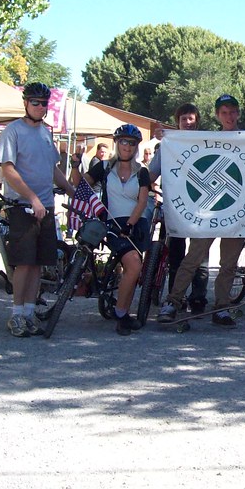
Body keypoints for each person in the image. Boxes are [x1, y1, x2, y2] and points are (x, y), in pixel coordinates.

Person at [0, 82, 76, 338]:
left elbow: (53, 169)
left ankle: (29, 313)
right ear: (25, 103)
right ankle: (16, 314)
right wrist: (31, 198)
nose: (40, 107)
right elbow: (8, 170)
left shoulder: (45, 132)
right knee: (24, 263)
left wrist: (73, 192)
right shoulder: (13, 131)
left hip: (46, 206)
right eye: (35, 103)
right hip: (23, 207)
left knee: (39, 264)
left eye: (44, 103)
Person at [157, 94, 245, 327]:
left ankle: (222, 307)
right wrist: (166, 139)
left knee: (229, 264)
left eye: (232, 111)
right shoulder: (207, 139)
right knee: (193, 259)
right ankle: (173, 301)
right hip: (208, 212)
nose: (229, 116)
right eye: (224, 112)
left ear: (238, 113)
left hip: (238, 211)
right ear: (217, 115)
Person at [85, 124, 149, 335]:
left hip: (134, 224)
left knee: (134, 268)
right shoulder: (104, 167)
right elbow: (82, 185)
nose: (127, 147)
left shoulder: (142, 172)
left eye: (131, 143)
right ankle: (121, 315)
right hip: (111, 223)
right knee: (134, 263)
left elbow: (142, 202)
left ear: (136, 146)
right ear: (116, 143)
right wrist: (75, 167)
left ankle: (123, 311)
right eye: (123, 142)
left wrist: (129, 225)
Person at [149, 103, 209, 312]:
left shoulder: (207, 142)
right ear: (177, 122)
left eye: (191, 118)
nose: (188, 122)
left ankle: (198, 298)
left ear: (197, 121)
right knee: (175, 255)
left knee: (200, 258)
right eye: (184, 119)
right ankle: (176, 298)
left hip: (202, 209)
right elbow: (152, 173)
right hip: (176, 209)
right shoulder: (168, 145)